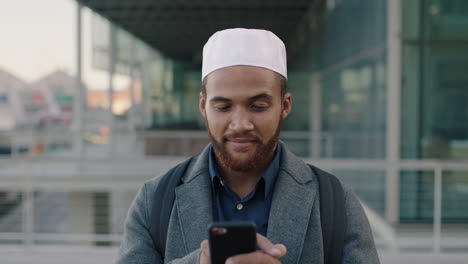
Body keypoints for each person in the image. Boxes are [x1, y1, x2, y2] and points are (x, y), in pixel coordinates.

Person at [116, 28, 380, 264]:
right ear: (203, 107)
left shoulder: (335, 201)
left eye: (258, 106)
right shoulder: (154, 200)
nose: (240, 123)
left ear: (285, 106)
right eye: (223, 107)